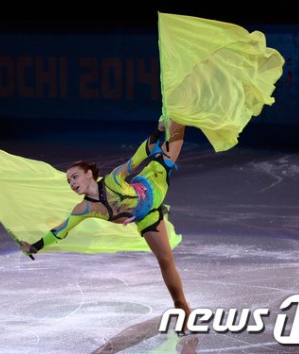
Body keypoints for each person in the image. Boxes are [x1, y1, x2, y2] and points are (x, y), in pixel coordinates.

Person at [20, 118, 192, 333]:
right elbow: (60, 231)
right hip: (147, 217)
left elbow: (138, 158)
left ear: (89, 174)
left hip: (154, 180)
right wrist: (34, 247)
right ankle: (182, 306)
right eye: (69, 182)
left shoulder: (113, 180)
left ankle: (178, 110)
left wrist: (157, 133)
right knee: (165, 260)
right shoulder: (84, 208)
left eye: (75, 177)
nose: (72, 183)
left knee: (176, 130)